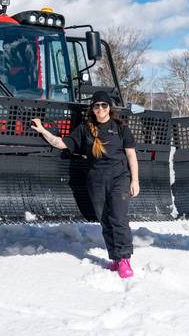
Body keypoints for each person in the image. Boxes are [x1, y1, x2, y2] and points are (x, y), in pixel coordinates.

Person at [31, 90, 140, 279]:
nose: (100, 109)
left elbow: (131, 155)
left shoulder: (121, 128)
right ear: (93, 108)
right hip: (96, 181)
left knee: (118, 218)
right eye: (96, 105)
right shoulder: (85, 129)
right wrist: (42, 130)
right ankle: (114, 258)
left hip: (119, 178)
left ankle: (124, 259)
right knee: (105, 220)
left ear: (109, 107)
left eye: (104, 105)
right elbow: (61, 143)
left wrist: (135, 180)